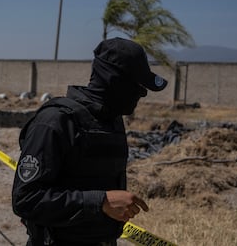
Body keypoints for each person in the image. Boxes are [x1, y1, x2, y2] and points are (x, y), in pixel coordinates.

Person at [12, 37, 168, 246]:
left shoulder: (112, 121)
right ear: (115, 82)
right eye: (137, 87)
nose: (142, 95)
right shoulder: (55, 122)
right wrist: (101, 201)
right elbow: (26, 199)